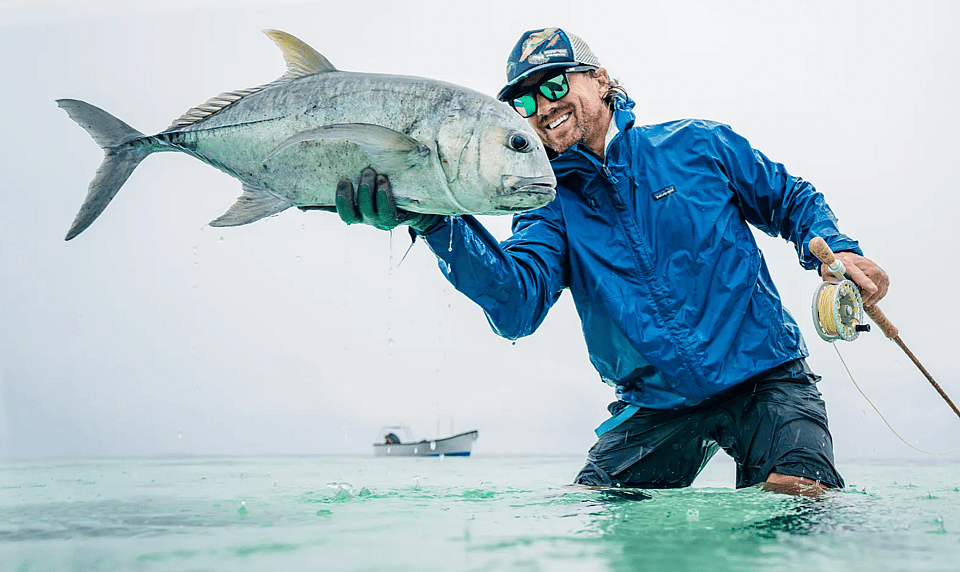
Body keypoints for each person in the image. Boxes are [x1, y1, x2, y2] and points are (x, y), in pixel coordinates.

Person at [328, 28, 889, 495]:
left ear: (600, 79)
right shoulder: (546, 205)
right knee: (592, 509)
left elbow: (790, 199)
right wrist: (435, 222)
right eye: (523, 102)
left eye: (553, 84)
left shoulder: (699, 145)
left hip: (766, 376)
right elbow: (516, 305)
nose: (542, 108)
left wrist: (837, 249)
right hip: (654, 403)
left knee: (797, 502)